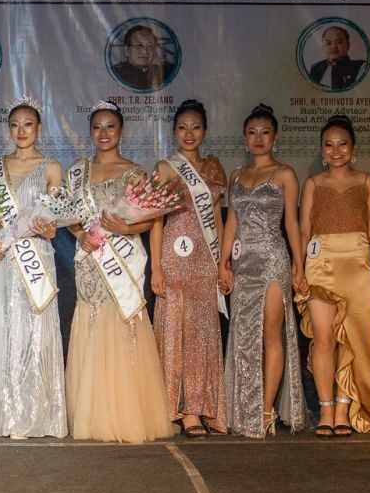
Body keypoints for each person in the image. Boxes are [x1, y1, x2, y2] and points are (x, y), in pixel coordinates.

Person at [65, 100, 173, 443]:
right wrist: (79, 233)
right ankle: (92, 415)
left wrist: (126, 230)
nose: (103, 133)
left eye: (110, 126)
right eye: (97, 127)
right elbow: (67, 213)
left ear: (121, 131)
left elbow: (153, 218)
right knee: (92, 318)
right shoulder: (77, 171)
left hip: (122, 262)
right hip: (89, 263)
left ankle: (124, 415)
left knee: (121, 321)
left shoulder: (135, 172)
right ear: (90, 133)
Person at [0, 97, 67, 439]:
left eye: (28, 124)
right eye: (15, 125)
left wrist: (50, 228)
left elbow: (54, 220)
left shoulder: (51, 168)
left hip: (35, 255)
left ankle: (35, 414)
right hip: (0, 258)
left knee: (34, 331)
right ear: (9, 129)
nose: (21, 131)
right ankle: (2, 412)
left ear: (38, 128)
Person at [296, 114, 370, 437]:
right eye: (329, 145)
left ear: (353, 148)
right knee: (324, 337)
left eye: (342, 144)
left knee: (352, 340)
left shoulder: (367, 182)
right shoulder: (312, 183)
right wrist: (297, 267)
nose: (336, 150)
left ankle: (344, 408)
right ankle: (326, 409)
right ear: (322, 150)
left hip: (357, 264)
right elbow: (302, 229)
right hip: (320, 265)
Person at [218, 104, 308, 438]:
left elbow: (292, 223)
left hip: (272, 259)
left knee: (271, 334)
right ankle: (242, 407)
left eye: (265, 133)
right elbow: (231, 222)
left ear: (275, 137)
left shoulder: (285, 174)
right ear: (244, 138)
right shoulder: (237, 175)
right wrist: (223, 262)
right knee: (242, 336)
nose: (259, 139)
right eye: (253, 133)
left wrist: (299, 266)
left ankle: (267, 409)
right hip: (243, 263)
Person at [150, 99, 228, 438]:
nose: (189, 134)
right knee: (174, 330)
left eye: (195, 127)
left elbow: (220, 219)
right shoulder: (165, 168)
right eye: (182, 128)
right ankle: (173, 407)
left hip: (205, 260)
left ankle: (198, 408)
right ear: (174, 132)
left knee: (201, 334)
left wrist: (223, 263)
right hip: (173, 256)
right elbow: (155, 221)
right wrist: (156, 268)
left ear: (205, 131)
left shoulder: (214, 168)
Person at [111, 25, 175, 91]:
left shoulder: (165, 73)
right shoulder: (116, 73)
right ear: (127, 50)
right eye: (139, 45)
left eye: (150, 46)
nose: (145, 51)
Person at [308, 26, 365, 90]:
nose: (333, 47)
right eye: (328, 43)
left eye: (339, 42)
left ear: (348, 45)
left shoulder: (361, 67)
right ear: (323, 46)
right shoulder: (315, 68)